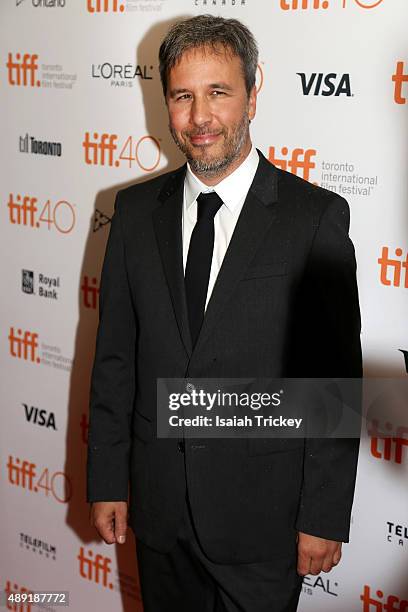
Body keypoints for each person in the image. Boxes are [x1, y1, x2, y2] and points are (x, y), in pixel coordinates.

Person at [87, 14, 362, 612]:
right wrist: (109, 480)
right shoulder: (132, 214)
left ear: (252, 95)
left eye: (218, 92)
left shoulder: (311, 218)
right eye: (183, 96)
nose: (200, 117)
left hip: (264, 522)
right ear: (164, 102)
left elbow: (333, 382)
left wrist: (323, 515)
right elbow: (115, 360)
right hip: (160, 519)